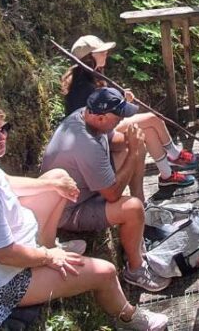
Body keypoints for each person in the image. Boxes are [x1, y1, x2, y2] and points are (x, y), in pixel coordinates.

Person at [0, 103, 168, 331]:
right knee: (105, 273)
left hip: (8, 246)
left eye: (4, 129)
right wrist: (48, 257)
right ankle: (128, 317)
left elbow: (6, 183)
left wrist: (51, 183)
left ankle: (49, 242)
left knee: (59, 179)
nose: (2, 139)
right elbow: (5, 254)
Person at [41, 87, 172, 293]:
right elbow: (112, 194)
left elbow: (113, 140)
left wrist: (133, 144)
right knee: (132, 208)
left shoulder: (85, 115)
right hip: (70, 211)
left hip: (83, 188)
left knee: (134, 147)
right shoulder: (85, 145)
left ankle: (143, 210)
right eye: (118, 116)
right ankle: (135, 269)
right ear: (101, 118)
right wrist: (133, 152)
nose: (121, 120)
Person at [63, 34, 198, 188]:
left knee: (149, 130)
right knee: (153, 119)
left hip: (101, 129)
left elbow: (104, 102)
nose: (105, 53)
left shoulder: (89, 76)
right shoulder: (83, 86)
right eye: (101, 51)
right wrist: (122, 99)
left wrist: (119, 96)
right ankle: (175, 156)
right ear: (88, 58)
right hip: (97, 134)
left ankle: (167, 176)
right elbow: (103, 115)